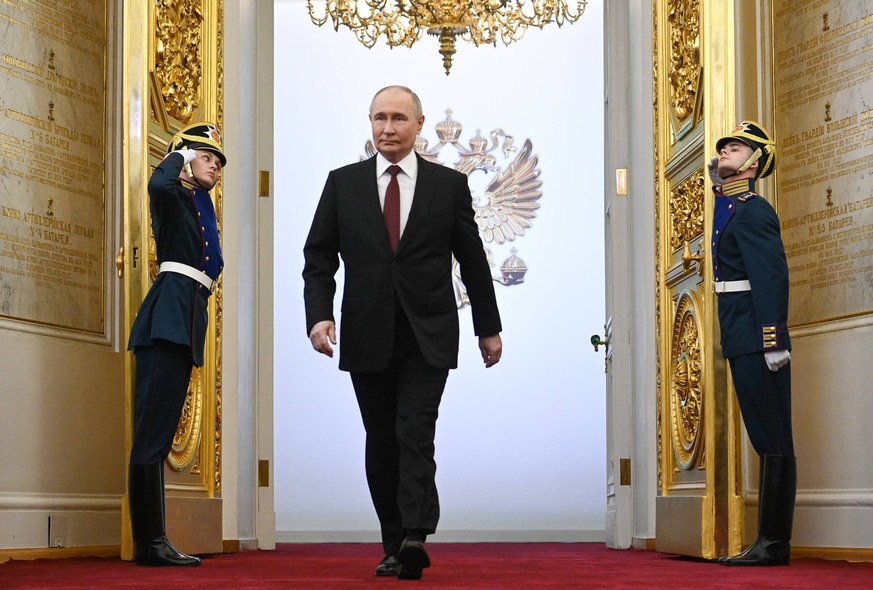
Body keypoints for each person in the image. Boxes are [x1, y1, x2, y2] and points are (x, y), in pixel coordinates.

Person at [303, 85, 503, 580]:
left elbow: (473, 259)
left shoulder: (448, 186)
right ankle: (393, 542)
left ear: (418, 125)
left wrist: (488, 328)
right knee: (382, 438)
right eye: (378, 118)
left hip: (428, 331)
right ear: (369, 124)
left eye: (397, 118)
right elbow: (319, 257)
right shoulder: (342, 184)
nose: (387, 128)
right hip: (367, 332)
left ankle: (416, 533)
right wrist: (318, 315)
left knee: (415, 431)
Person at [127, 122, 227, 566]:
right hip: (165, 320)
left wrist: (197, 164)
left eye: (220, 162)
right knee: (150, 438)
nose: (217, 167)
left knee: (161, 434)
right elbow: (158, 181)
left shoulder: (200, 201)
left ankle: (157, 540)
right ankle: (150, 543)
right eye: (209, 157)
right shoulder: (170, 194)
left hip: (187, 321)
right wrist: (180, 154)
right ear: (187, 158)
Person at [707, 121, 795, 566]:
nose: (724, 150)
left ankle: (774, 543)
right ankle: (769, 541)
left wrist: (773, 338)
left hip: (758, 336)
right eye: (723, 147)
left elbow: (771, 275)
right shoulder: (733, 205)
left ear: (755, 162)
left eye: (735, 148)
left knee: (773, 438)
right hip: (739, 331)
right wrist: (720, 179)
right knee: (764, 436)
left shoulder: (755, 209)